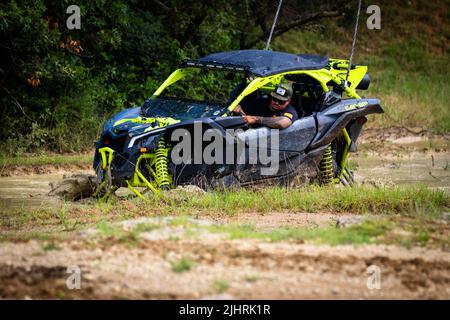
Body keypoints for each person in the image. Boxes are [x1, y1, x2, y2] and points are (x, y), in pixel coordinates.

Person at [233, 82, 298, 129]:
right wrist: (238, 109)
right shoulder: (260, 102)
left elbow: (282, 123)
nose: (277, 103)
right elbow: (242, 110)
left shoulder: (290, 111)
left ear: (288, 101)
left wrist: (256, 119)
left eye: (281, 101)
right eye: (275, 99)